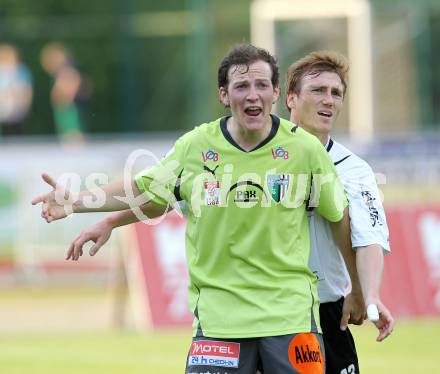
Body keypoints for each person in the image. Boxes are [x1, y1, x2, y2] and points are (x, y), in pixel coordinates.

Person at [33, 44, 351, 373]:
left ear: (275, 91)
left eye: (261, 85)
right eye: (241, 86)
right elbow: (147, 190)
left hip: (291, 320)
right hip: (219, 325)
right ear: (224, 95)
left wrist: (360, 292)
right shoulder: (195, 147)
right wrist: (77, 201)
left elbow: (340, 219)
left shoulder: (305, 150)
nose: (252, 95)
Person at [284, 51, 394, 373]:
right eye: (318, 91)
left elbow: (370, 237)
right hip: (272, 310)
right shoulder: (260, 157)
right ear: (291, 98)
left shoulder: (354, 169)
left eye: (336, 93)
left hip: (329, 312)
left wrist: (368, 295)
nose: (329, 100)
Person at [40, 42, 89, 145]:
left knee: (72, 129)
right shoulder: (62, 69)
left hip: (67, 105)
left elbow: (75, 80)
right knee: (66, 130)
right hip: (63, 104)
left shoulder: (66, 68)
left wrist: (69, 96)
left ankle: (77, 147)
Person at [0, 43, 33, 137]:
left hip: (17, 105)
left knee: (17, 133)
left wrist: (26, 104)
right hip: (3, 105)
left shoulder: (22, 70)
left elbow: (27, 90)